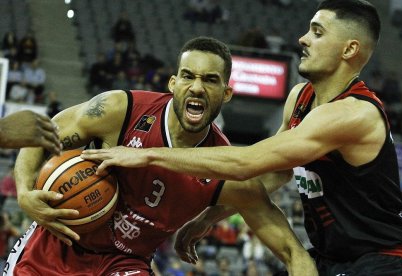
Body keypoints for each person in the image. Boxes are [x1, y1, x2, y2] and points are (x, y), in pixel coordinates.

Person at [82, 1, 402, 275]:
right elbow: (273, 172)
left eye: (317, 32)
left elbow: (246, 162)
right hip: (333, 258)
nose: (302, 39)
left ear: (349, 48)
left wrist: (147, 154)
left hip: (380, 260)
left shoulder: (353, 113)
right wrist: (211, 216)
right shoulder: (300, 97)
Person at [8, 37, 316, 276]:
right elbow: (41, 133)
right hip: (55, 247)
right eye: (187, 76)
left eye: (210, 80)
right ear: (173, 83)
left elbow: (293, 251)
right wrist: (24, 192)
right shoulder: (121, 111)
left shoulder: (223, 169)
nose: (197, 87)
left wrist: (205, 220)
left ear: (226, 93)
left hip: (124, 262)